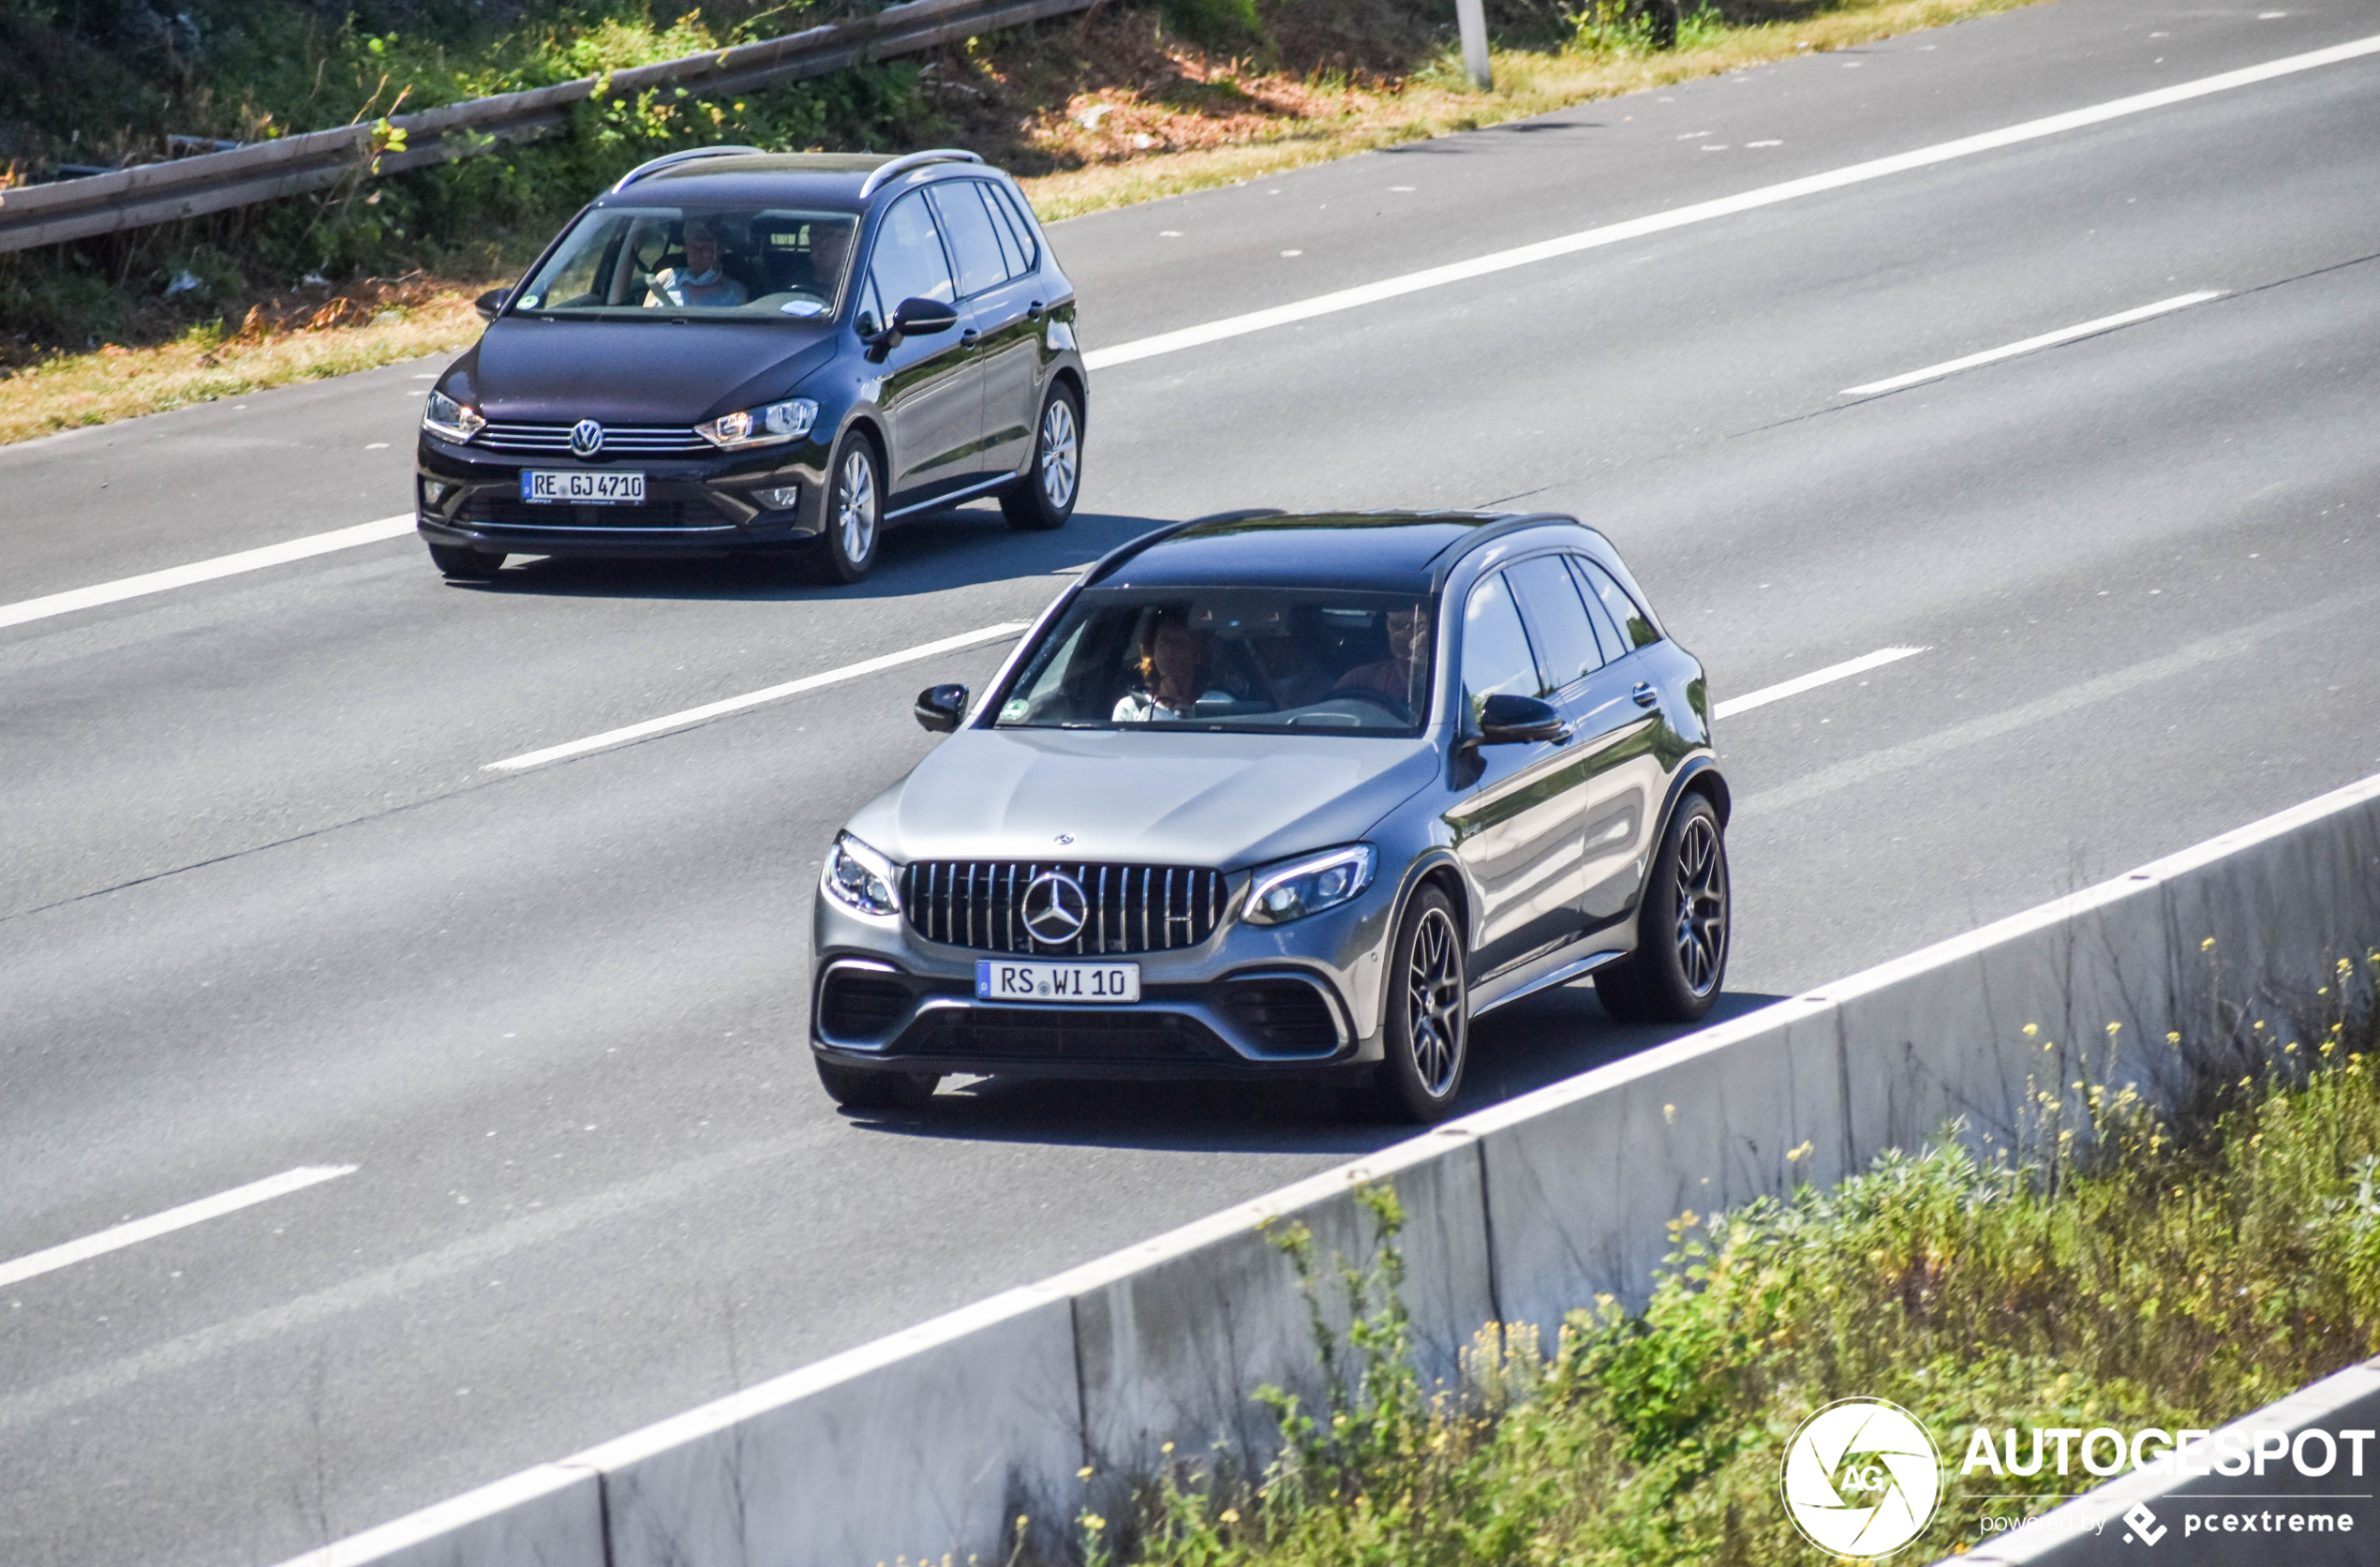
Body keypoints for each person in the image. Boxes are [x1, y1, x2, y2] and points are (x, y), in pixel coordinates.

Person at [1112, 611, 1225, 723]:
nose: (1170, 650)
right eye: (1164, 641)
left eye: (1179, 642)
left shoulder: (1220, 705)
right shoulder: (1130, 709)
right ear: (1152, 650)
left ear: (1198, 653)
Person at [1330, 604, 1431, 716]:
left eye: (1417, 627)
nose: (1401, 635)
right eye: (1397, 626)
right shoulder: (1359, 681)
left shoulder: (1449, 685)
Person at [647, 219, 748, 308]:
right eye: (692, 247)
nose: (698, 254)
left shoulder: (735, 292)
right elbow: (643, 320)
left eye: (706, 249)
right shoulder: (665, 278)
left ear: (720, 250)